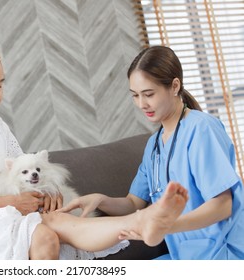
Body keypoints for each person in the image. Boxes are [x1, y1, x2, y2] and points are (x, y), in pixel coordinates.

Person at [0, 44, 189, 260]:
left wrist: (47, 192)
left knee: (59, 220)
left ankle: (141, 222)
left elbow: (25, 167)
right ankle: (140, 222)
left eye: (0, 85)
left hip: (8, 209)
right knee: (46, 236)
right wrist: (11, 202)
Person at [59, 45, 244, 260]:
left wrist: (165, 227)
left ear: (175, 86)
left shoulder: (202, 129)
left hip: (224, 256)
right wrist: (101, 200)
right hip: (183, 258)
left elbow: (223, 206)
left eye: (148, 94)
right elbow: (133, 203)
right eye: (135, 95)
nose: (141, 104)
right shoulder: (154, 145)